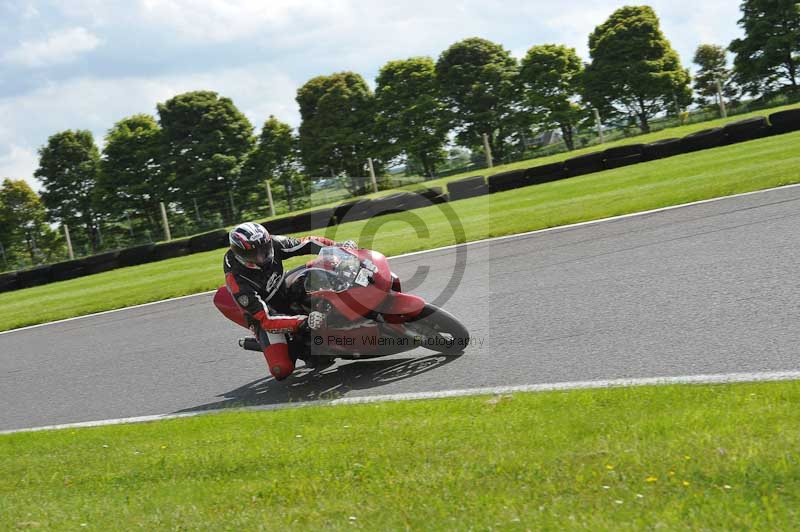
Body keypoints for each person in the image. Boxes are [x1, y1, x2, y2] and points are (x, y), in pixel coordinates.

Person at [224, 221, 356, 380]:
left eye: (264, 250)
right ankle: (297, 347)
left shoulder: (274, 243)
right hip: (267, 316)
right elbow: (266, 320)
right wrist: (304, 322)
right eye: (254, 254)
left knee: (325, 265)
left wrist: (339, 247)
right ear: (240, 255)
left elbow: (307, 243)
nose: (261, 257)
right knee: (281, 369)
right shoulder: (237, 280)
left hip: (283, 287)